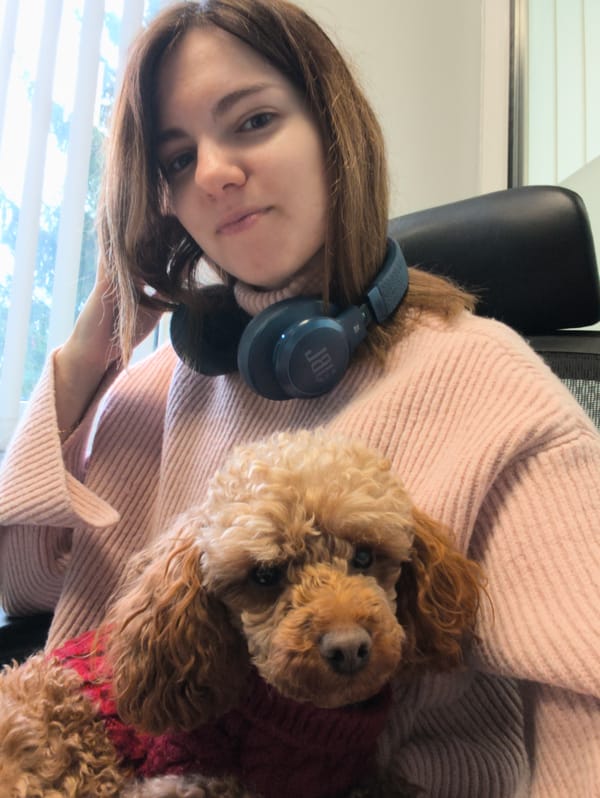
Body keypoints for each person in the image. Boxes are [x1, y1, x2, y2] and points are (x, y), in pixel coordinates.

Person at [0, 1, 598, 795]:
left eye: (251, 120)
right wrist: (83, 364)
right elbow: (26, 592)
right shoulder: (159, 386)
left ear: (334, 132)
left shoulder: (498, 388)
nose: (213, 171)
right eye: (177, 159)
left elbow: (583, 713)